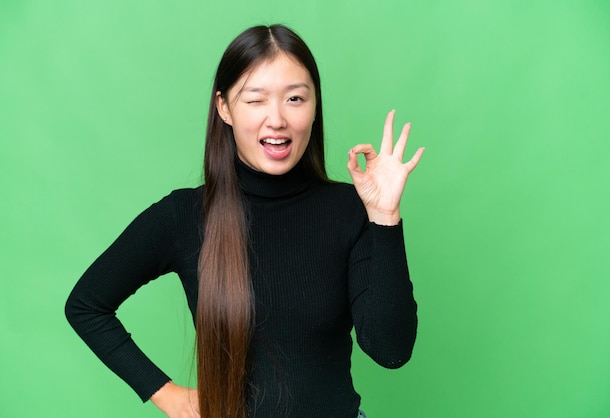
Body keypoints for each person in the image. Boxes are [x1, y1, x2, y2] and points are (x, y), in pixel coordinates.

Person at [65, 24, 424, 418]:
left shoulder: (349, 208)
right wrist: (166, 393)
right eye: (256, 100)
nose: (277, 119)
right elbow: (86, 305)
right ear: (224, 108)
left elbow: (391, 352)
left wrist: (385, 217)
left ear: (315, 104)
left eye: (295, 98)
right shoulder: (184, 215)